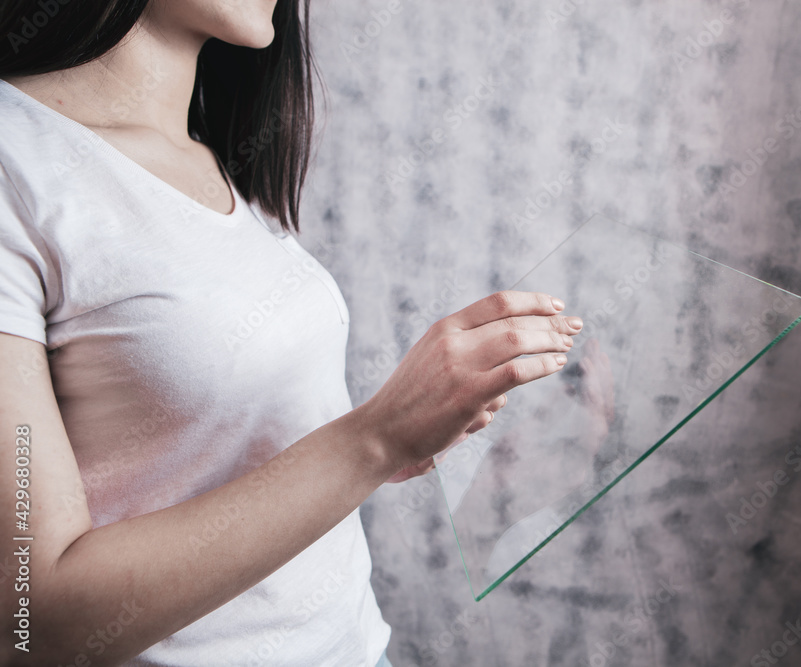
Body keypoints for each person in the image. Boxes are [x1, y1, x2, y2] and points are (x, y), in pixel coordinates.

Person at [0, 1, 582, 664]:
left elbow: (225, 447)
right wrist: (375, 438)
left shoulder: (210, 150)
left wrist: (410, 430)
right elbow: (29, 620)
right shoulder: (16, 156)